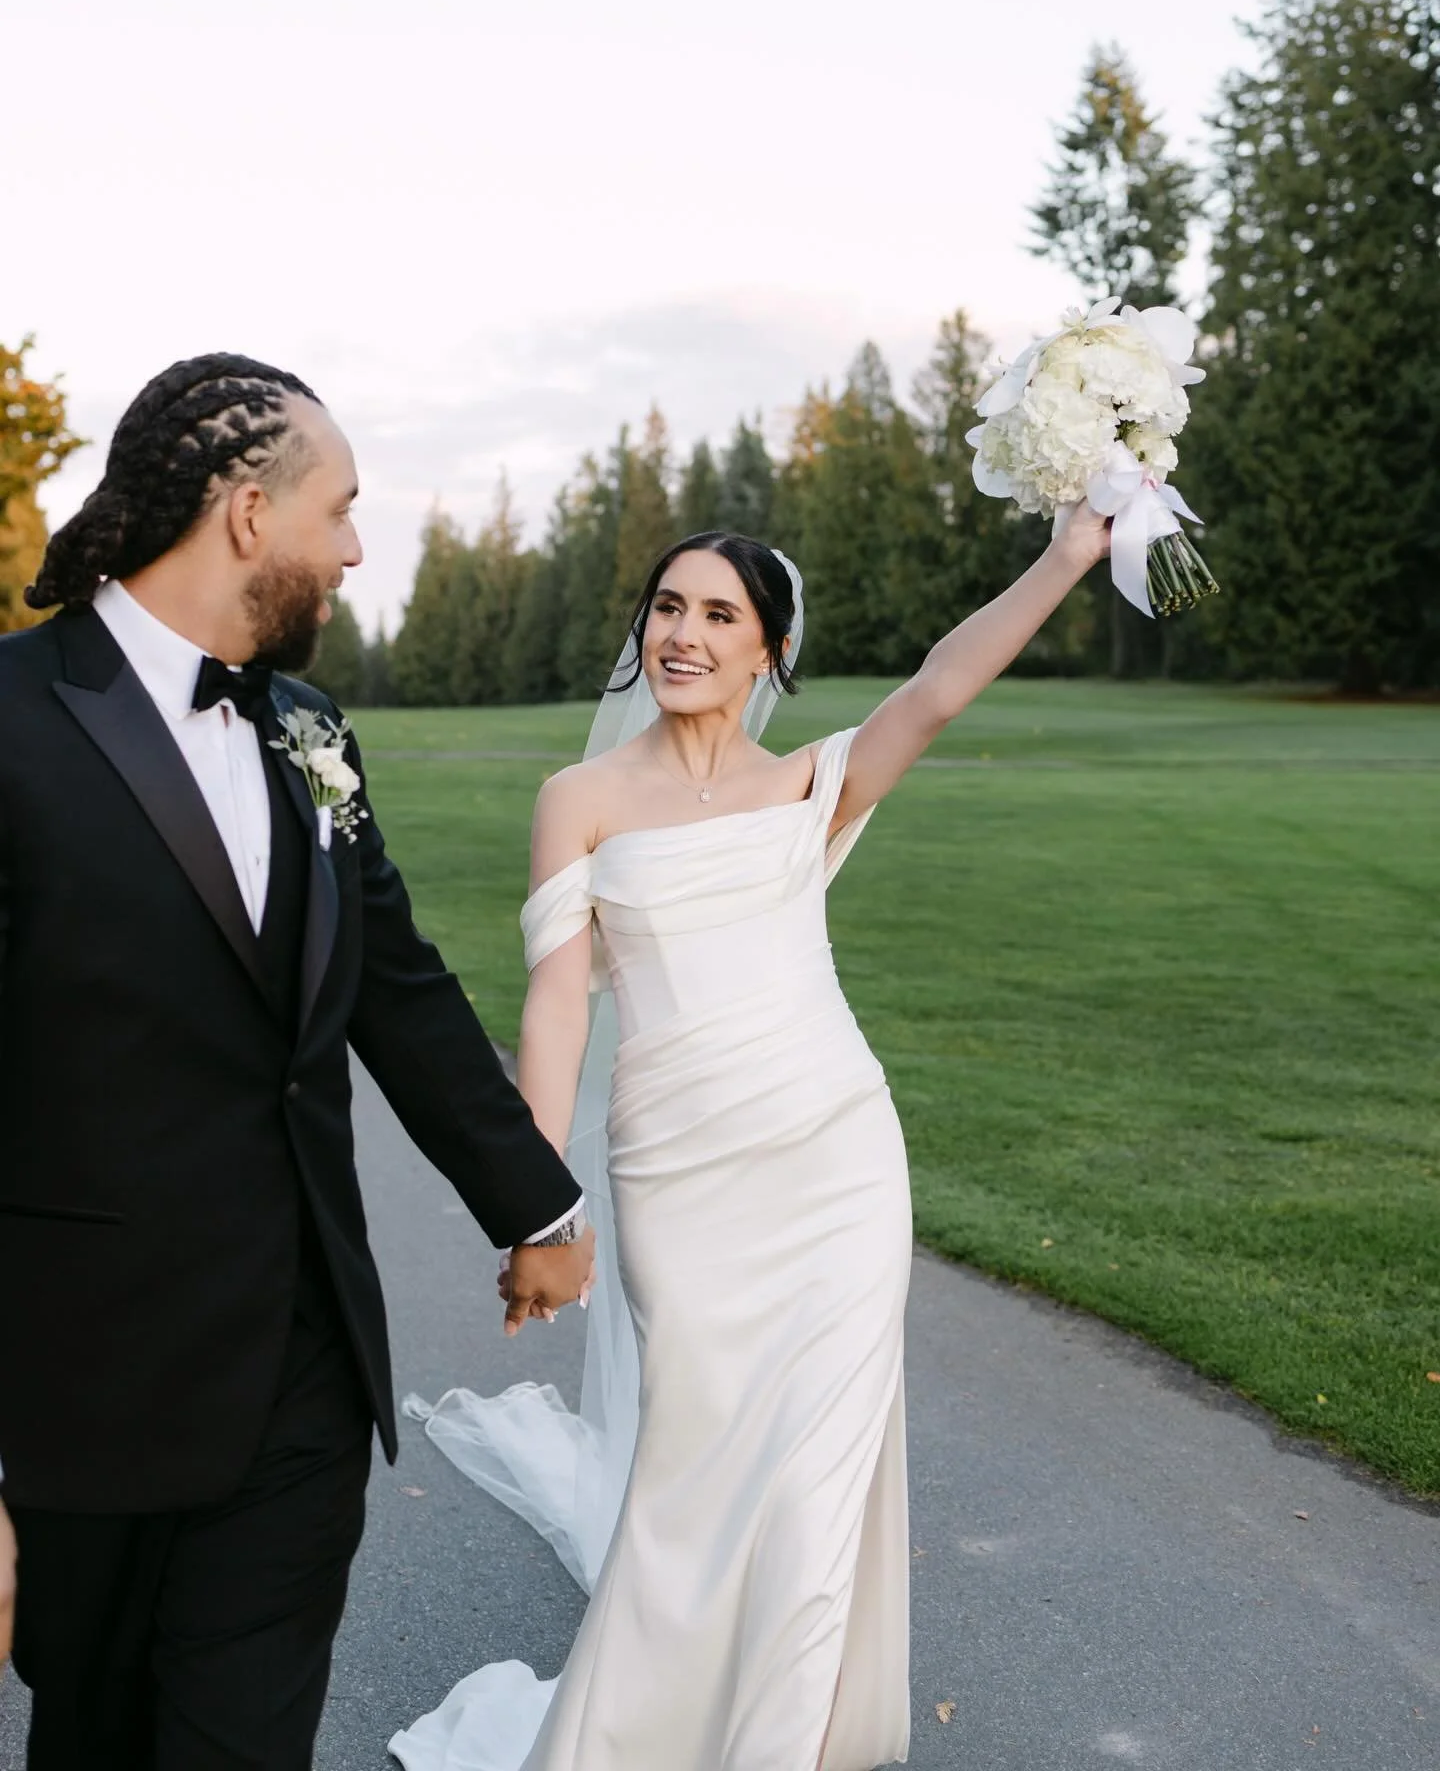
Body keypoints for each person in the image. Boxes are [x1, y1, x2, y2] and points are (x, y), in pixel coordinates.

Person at [390, 510, 1110, 1771]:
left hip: (838, 1161)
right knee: (695, 1471)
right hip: (680, 1176)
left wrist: (1066, 555)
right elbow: (559, 1000)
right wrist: (538, 1206)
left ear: (769, 647)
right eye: (669, 607)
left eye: (719, 614)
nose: (683, 634)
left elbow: (940, 688)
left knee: (819, 1474)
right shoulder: (582, 801)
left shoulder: (808, 784)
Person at [0, 355, 594, 1770]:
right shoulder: (10, 725)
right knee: (96, 1736)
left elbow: (397, 986)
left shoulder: (310, 731)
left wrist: (538, 1204)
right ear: (247, 513)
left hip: (302, 1373)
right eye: (340, 508)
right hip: (84, 1393)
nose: (355, 546)